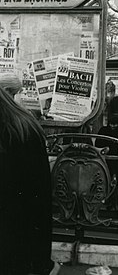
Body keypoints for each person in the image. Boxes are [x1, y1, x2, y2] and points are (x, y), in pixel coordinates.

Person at [0, 75, 60, 275]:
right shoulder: (24, 126)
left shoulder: (19, 127)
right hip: (18, 238)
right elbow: (39, 196)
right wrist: (42, 262)